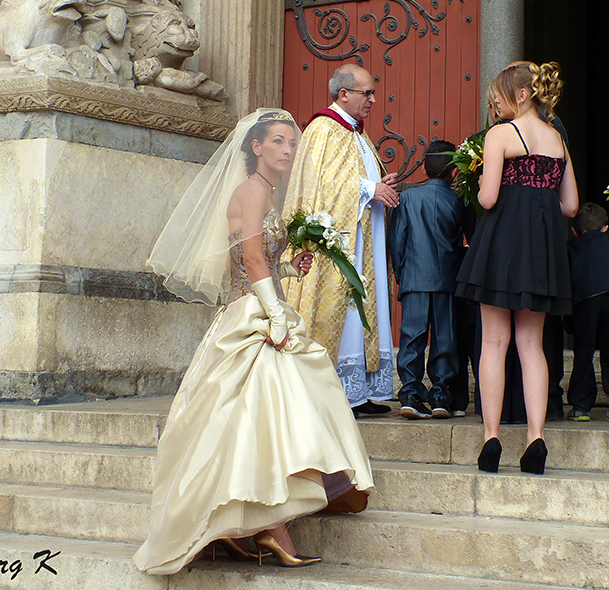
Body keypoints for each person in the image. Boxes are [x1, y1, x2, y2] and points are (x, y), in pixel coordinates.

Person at [134, 109, 374, 574]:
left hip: (260, 304)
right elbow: (247, 257)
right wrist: (277, 316)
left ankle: (256, 526)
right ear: (255, 147)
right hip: (252, 317)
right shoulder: (249, 190)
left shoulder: (266, 193)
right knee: (256, 416)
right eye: (278, 142)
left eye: (291, 143)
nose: (287, 150)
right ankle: (266, 527)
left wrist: (287, 268)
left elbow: (255, 259)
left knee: (265, 420)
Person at [456, 62, 579, 474]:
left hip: (501, 246)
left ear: (522, 95)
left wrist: (479, 182)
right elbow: (571, 206)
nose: (495, 102)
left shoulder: (501, 134)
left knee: (493, 342)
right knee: (533, 346)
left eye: (500, 94)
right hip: (542, 249)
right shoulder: (558, 140)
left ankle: (492, 438)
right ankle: (536, 438)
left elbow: (488, 198)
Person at [283, 64, 399, 417]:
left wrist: (380, 187)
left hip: (362, 237)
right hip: (336, 248)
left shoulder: (357, 134)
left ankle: (358, 392)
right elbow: (324, 187)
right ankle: (334, 392)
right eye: (367, 93)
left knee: (360, 310)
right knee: (342, 310)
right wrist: (370, 188)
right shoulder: (323, 129)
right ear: (343, 93)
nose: (374, 100)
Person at [388, 139, 463, 419]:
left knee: (412, 336)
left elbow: (397, 241)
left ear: (425, 168)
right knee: (445, 337)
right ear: (453, 172)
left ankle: (409, 391)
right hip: (446, 279)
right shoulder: (456, 200)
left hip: (415, 278)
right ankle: (441, 393)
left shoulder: (407, 198)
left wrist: (402, 273)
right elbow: (458, 239)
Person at [566, 202, 609, 423]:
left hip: (584, 300)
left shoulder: (571, 247)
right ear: (605, 227)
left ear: (574, 231)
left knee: (584, 351)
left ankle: (580, 407)